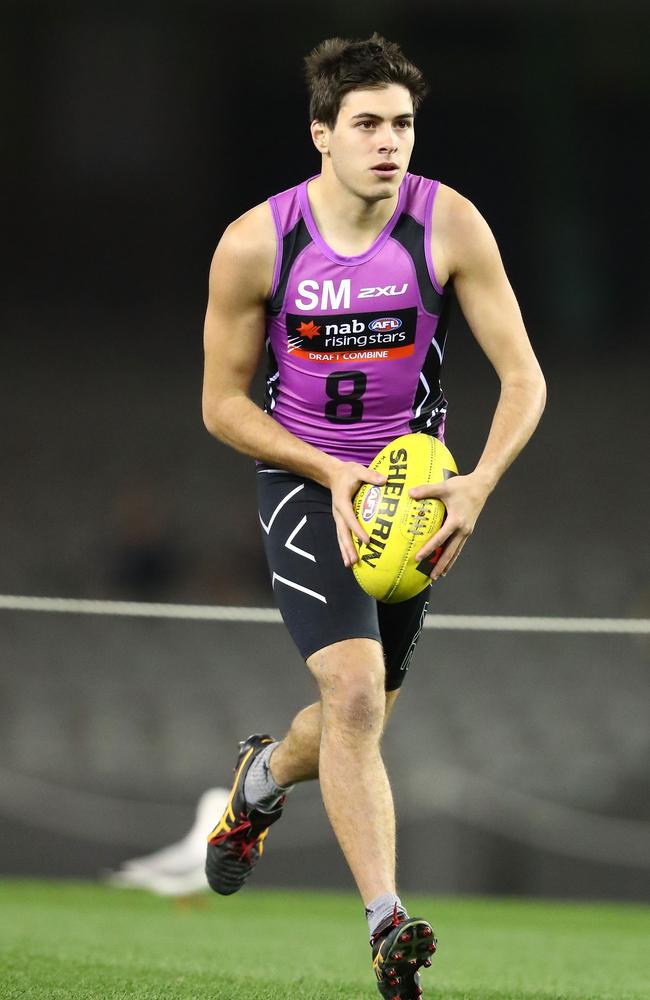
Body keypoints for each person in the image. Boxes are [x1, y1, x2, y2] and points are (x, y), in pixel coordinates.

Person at [201, 33, 546, 1000]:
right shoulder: (258, 242)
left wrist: (475, 483)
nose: (389, 142)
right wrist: (325, 470)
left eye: (402, 124)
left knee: (359, 720)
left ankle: (262, 778)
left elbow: (525, 378)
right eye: (367, 125)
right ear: (322, 135)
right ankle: (386, 923)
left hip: (415, 497)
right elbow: (221, 405)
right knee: (354, 696)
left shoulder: (449, 226)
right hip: (312, 486)